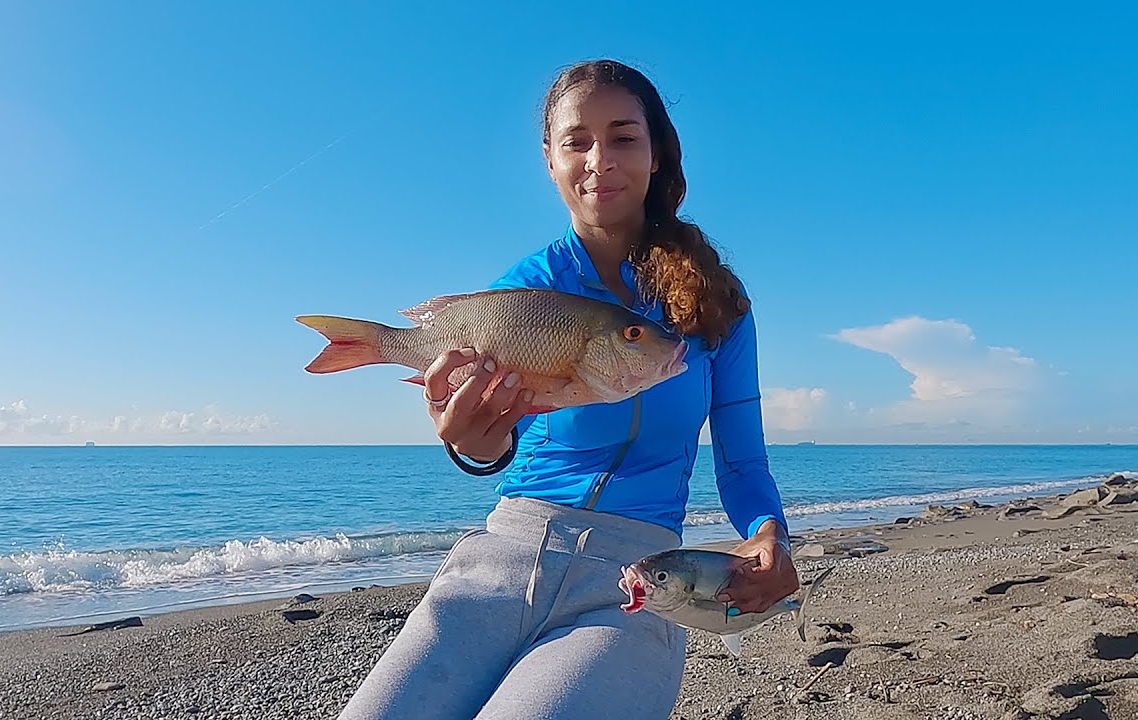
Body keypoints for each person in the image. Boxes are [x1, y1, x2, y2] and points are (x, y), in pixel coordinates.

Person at [338, 58, 798, 720]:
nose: (599, 161)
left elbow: (743, 460)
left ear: (658, 154)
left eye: (623, 137)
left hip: (635, 579)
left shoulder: (717, 306)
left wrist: (768, 534)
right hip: (505, 553)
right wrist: (471, 444)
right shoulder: (519, 295)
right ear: (550, 161)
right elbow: (497, 444)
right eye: (576, 141)